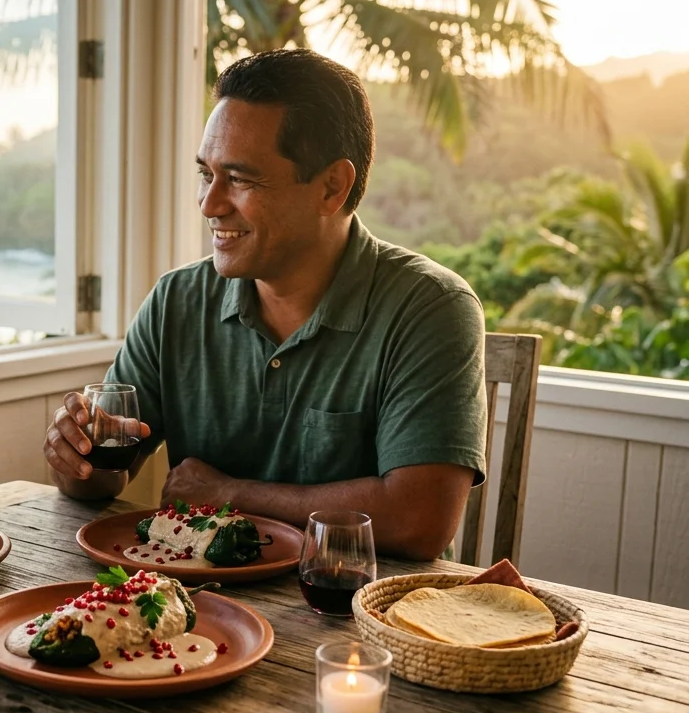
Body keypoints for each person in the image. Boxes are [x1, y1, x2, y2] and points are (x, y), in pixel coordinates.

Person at [43, 49, 486, 561]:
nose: (209, 204)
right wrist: (73, 455)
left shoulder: (430, 307)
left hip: (359, 620)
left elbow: (420, 519)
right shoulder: (175, 302)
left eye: (241, 179)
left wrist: (230, 494)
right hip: (199, 615)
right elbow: (100, 480)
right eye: (206, 175)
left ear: (332, 187)